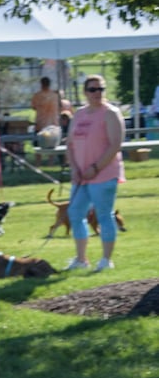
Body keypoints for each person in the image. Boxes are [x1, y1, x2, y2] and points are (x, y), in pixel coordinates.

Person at [63, 74, 125, 272]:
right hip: (81, 176)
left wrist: (95, 168)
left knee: (103, 215)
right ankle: (81, 259)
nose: (97, 93)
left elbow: (115, 145)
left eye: (101, 89)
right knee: (75, 213)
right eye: (93, 89)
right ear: (85, 92)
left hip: (104, 174)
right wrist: (75, 168)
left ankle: (106, 260)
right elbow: (70, 144)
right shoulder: (79, 114)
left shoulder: (111, 113)